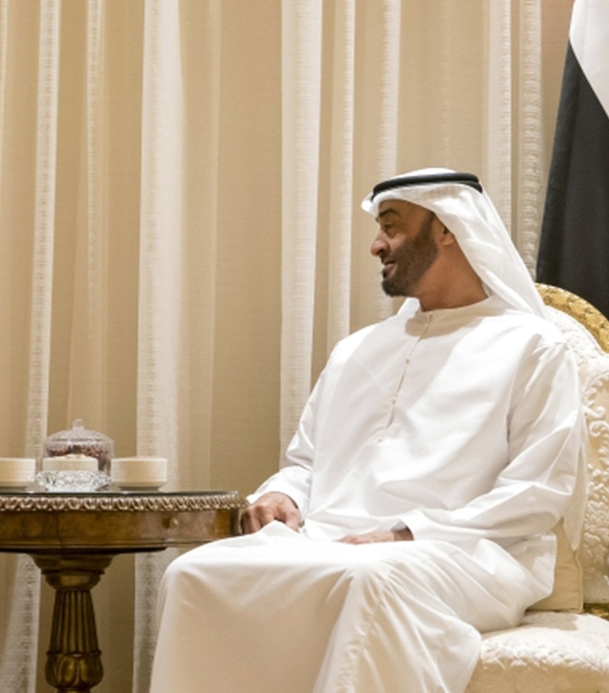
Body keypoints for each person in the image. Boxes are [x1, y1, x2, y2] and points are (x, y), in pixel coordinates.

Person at [150, 169, 585, 692]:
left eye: (391, 226)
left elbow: (538, 492)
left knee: (370, 579)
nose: (376, 245)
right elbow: (306, 462)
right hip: (330, 542)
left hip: (467, 552)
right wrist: (283, 493)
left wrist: (406, 532)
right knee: (194, 574)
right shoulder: (355, 350)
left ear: (447, 227)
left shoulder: (533, 346)